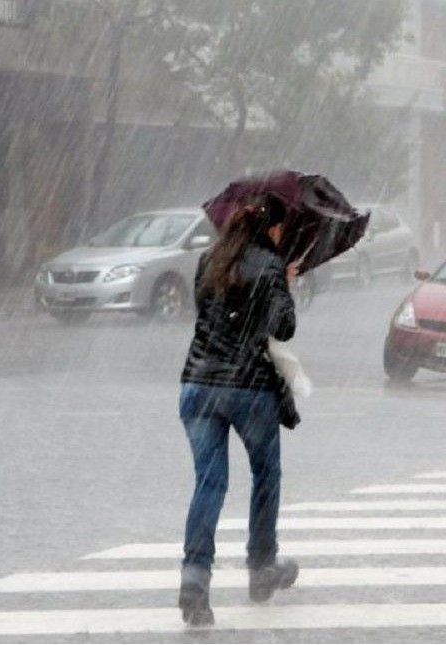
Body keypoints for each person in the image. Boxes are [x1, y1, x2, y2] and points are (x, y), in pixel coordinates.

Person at [177, 193, 300, 626]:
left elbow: (208, 314)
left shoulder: (208, 260)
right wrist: (284, 284)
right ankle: (261, 566)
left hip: (198, 385)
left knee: (209, 484)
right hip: (248, 389)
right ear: (273, 228)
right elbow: (283, 327)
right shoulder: (270, 265)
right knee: (265, 475)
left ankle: (194, 580)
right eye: (281, 229)